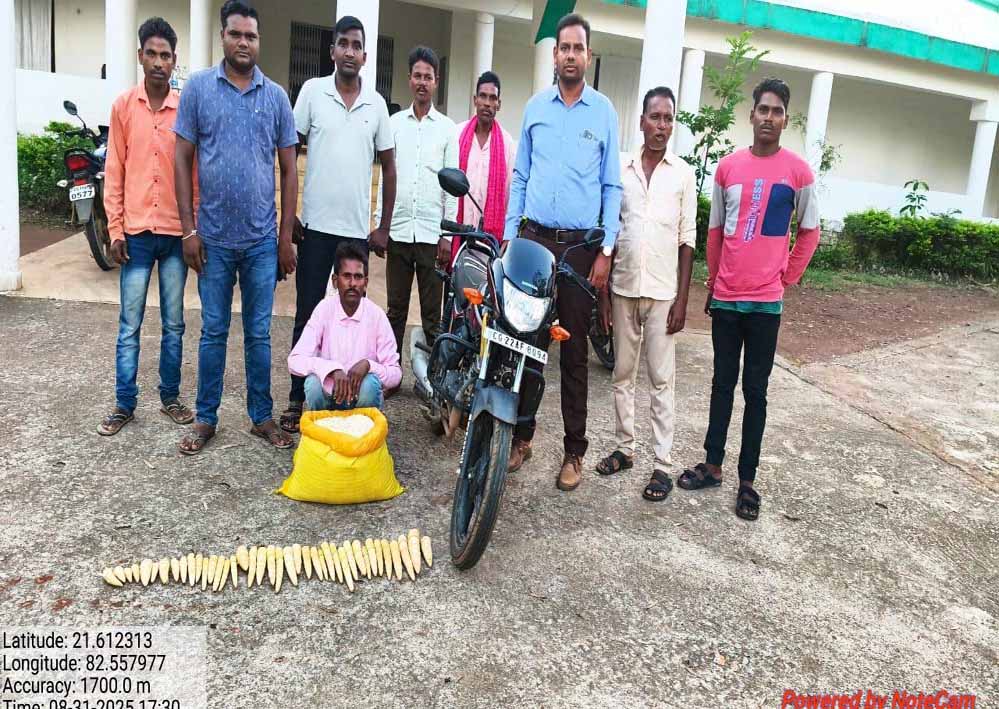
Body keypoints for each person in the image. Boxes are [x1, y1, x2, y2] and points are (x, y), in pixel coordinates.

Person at [679, 77, 819, 521]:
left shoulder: (799, 173)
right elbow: (715, 232)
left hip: (765, 305)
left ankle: (747, 480)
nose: (769, 118)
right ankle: (713, 464)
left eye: (777, 111)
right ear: (752, 113)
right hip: (727, 299)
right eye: (763, 109)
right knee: (721, 384)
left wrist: (787, 277)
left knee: (755, 392)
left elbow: (810, 232)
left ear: (785, 120)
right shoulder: (728, 169)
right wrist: (715, 281)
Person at [173, 0, 299, 455]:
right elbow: (181, 158)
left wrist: (285, 239)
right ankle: (206, 418)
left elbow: (289, 170)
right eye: (236, 34)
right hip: (213, 241)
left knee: (259, 334)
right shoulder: (199, 89)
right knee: (213, 332)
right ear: (223, 36)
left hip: (262, 241)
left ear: (258, 41)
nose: (244, 42)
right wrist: (189, 231)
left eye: (251, 36)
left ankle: (261, 417)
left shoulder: (276, 97)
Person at [503, 13, 622, 492]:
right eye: (564, 48)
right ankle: (520, 437)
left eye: (578, 48)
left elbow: (612, 187)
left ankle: (574, 451)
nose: (571, 55)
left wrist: (606, 251)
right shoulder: (535, 108)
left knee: (573, 351)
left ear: (588, 56)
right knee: (526, 343)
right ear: (554, 55)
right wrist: (511, 237)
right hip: (533, 241)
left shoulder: (604, 112)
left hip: (579, 250)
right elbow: (520, 177)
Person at [280, 14, 396, 433]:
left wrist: (383, 226)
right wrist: (289, 215)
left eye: (356, 45)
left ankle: (352, 395)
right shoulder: (312, 92)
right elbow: (289, 153)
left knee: (353, 315)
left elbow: (389, 166)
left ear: (365, 55)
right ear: (332, 51)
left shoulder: (377, 105)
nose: (350, 51)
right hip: (315, 229)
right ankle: (299, 397)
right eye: (343, 43)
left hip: (354, 233)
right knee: (309, 312)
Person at [595, 86, 696, 502]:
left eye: (668, 118)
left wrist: (682, 301)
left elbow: (687, 241)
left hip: (662, 295)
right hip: (622, 287)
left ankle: (662, 465)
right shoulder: (622, 170)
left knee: (660, 380)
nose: (662, 125)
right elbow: (610, 233)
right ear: (641, 121)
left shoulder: (683, 175)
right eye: (655, 117)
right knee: (622, 375)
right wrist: (603, 297)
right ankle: (625, 448)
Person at [98, 17, 193, 436]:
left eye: (165, 55)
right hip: (135, 234)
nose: (158, 62)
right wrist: (115, 229)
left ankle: (170, 397)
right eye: (151, 54)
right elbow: (114, 170)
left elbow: (194, 174)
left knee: (174, 323)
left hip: (174, 235)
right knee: (129, 324)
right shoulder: (123, 107)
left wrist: (193, 230)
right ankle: (124, 404)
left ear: (174, 61)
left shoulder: (184, 109)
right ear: (140, 56)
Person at [376, 45, 458, 357]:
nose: (422, 82)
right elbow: (386, 176)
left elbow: (451, 187)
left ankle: (434, 379)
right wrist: (381, 225)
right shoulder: (394, 124)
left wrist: (447, 236)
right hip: (398, 231)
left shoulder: (447, 129)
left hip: (430, 235)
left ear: (436, 82)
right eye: (417, 76)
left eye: (428, 77)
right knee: (395, 311)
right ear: (409, 79)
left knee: (432, 318)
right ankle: (391, 372)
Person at [288, 242, 401, 411]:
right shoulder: (324, 309)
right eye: (346, 276)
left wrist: (368, 365)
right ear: (335, 281)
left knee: (370, 384)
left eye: (358, 277)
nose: (352, 283)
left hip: (361, 401)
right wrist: (331, 370)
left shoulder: (376, 315)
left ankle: (363, 425)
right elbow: (295, 360)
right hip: (330, 397)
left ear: (366, 283)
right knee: (313, 383)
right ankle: (322, 424)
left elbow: (396, 374)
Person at [452, 70, 515, 255]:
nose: (487, 103)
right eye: (483, 96)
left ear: (499, 104)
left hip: (488, 238)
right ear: (475, 100)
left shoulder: (507, 143)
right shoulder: (457, 134)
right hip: (457, 232)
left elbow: (510, 194)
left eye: (492, 98)